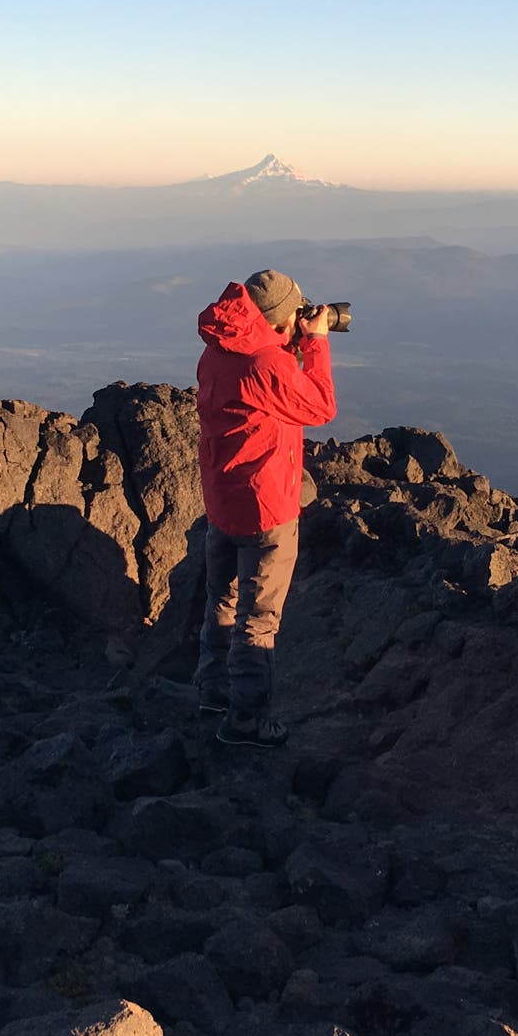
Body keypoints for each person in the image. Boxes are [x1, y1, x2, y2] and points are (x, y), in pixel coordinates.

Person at [193, 268, 337, 747]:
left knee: (222, 602)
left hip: (223, 501)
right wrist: (314, 343)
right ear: (279, 320)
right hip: (266, 508)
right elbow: (319, 408)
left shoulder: (217, 351)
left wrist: (287, 342)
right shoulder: (265, 364)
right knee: (258, 620)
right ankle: (248, 722)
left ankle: (213, 692)